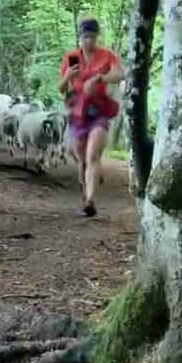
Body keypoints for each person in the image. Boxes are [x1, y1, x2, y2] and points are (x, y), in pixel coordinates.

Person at [59, 18, 125, 217]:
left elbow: (121, 74)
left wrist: (102, 78)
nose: (88, 41)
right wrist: (68, 76)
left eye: (92, 37)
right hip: (77, 109)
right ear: (80, 37)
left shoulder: (106, 55)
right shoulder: (71, 57)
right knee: (81, 158)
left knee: (92, 155)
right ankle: (86, 188)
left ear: (97, 37)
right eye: (84, 37)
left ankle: (90, 201)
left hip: (99, 110)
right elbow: (62, 90)